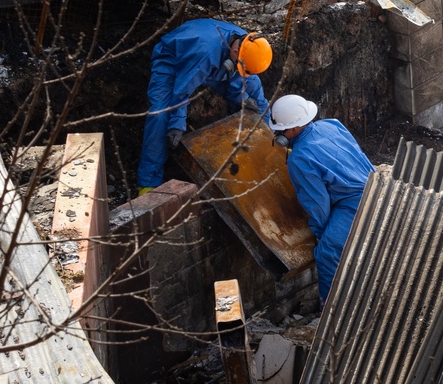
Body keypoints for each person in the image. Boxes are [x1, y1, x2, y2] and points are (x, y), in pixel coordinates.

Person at [136, 19, 273, 194]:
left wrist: (271, 141)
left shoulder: (249, 46)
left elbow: (257, 94)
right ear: (235, 50)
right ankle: (148, 182)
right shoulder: (205, 54)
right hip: (174, 61)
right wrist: (177, 124)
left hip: (222, 61)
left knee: (254, 96)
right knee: (160, 115)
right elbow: (181, 91)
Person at [269, 94, 374, 304]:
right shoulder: (331, 125)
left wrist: (321, 233)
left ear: (294, 129)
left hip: (353, 202)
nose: (278, 134)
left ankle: (332, 311)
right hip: (373, 183)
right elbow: (358, 153)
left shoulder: (300, 157)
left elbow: (317, 203)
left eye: (280, 130)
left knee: (327, 253)